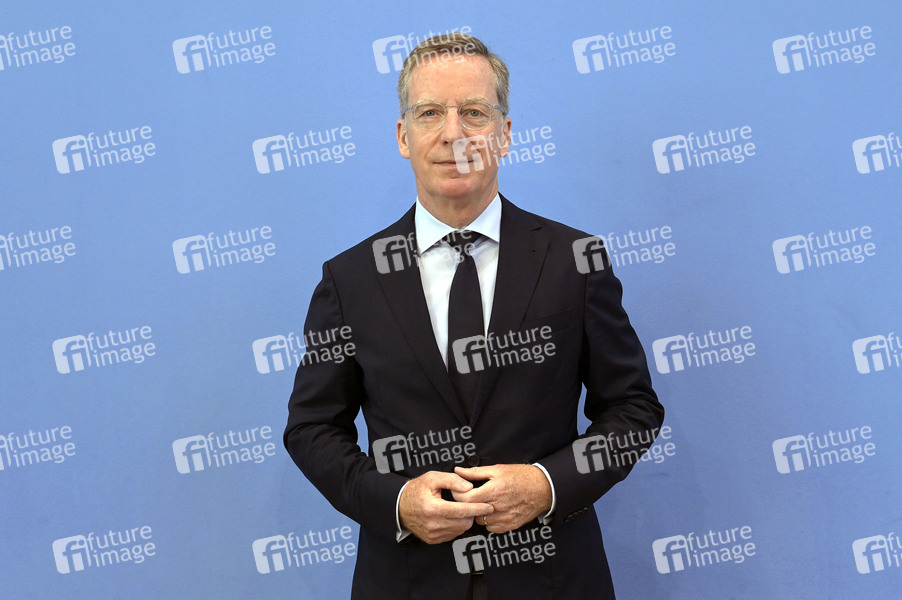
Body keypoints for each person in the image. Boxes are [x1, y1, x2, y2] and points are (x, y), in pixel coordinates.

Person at [284, 33, 664, 600]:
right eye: (429, 113)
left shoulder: (575, 261)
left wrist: (546, 485)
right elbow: (312, 429)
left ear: (504, 134)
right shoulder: (350, 280)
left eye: (474, 113)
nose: (453, 133)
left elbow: (633, 410)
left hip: (554, 580)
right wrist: (395, 502)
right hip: (408, 583)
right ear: (403, 136)